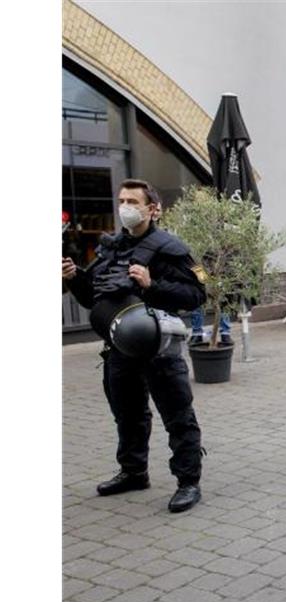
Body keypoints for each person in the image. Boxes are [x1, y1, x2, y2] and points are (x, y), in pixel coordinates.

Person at [62, 178, 206, 513]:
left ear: (152, 209)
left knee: (178, 415)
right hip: (119, 347)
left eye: (133, 201)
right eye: (122, 200)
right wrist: (75, 278)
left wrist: (152, 284)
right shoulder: (112, 248)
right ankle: (133, 471)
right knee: (127, 414)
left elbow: (197, 295)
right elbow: (95, 298)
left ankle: (188, 482)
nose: (125, 207)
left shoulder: (173, 248)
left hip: (160, 348)